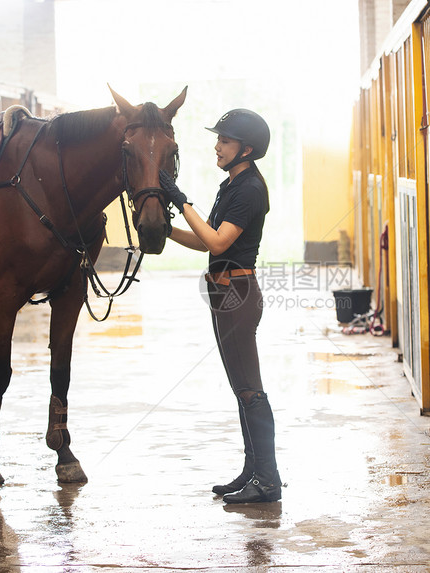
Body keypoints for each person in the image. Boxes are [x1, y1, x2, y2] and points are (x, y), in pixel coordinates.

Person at [158, 108, 281, 504]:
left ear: (245, 148)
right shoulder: (231, 184)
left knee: (250, 390)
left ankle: (268, 481)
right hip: (223, 293)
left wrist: (180, 200)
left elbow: (218, 244)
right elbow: (204, 237)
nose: (217, 146)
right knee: (241, 389)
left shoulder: (249, 190)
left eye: (224, 141)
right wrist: (168, 230)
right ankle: (252, 471)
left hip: (238, 295)